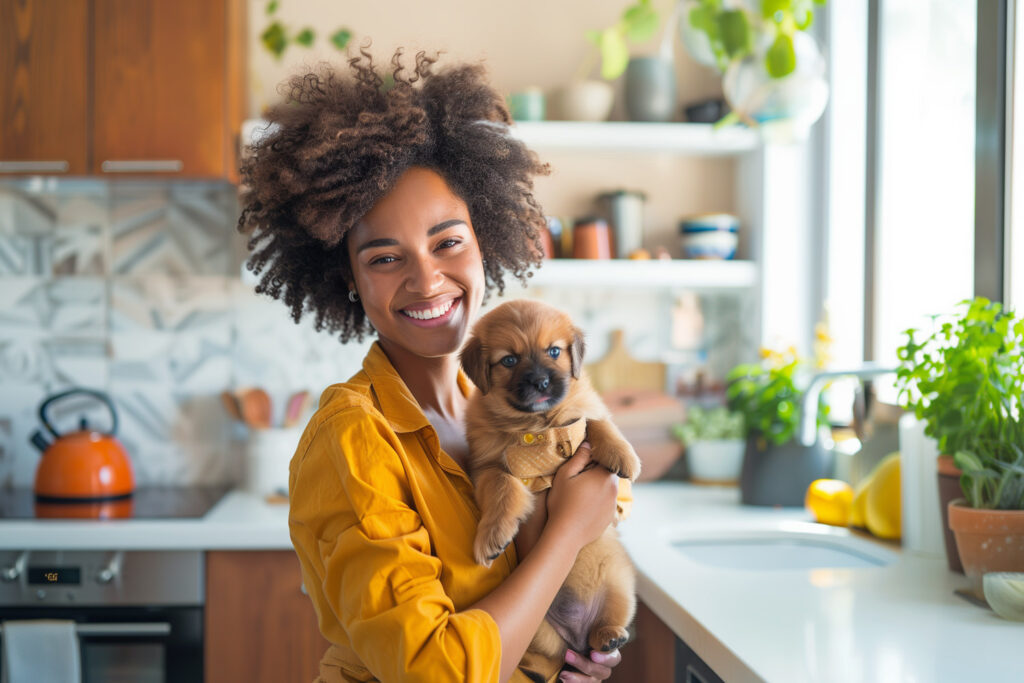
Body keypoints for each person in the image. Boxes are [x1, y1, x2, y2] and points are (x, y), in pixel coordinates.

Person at [237, 48, 626, 683]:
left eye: (448, 242)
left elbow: (605, 487)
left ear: (485, 241)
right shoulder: (355, 436)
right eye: (385, 258)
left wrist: (566, 652)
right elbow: (436, 672)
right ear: (350, 280)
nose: (427, 281)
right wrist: (563, 539)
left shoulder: (506, 389)